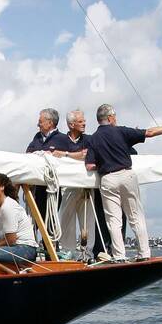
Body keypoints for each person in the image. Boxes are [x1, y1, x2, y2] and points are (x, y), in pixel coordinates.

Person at [85, 103, 162, 261]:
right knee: (135, 217)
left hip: (107, 178)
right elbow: (150, 132)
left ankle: (119, 256)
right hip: (126, 175)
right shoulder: (121, 131)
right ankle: (144, 254)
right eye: (115, 116)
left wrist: (104, 163)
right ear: (110, 117)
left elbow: (89, 165)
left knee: (113, 221)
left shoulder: (93, 139)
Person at [51, 109, 109, 262]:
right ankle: (67, 253)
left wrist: (66, 154)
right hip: (68, 187)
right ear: (71, 124)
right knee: (66, 219)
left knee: (88, 221)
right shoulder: (60, 140)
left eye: (84, 121)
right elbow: (53, 155)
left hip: (86, 187)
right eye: (81, 121)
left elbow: (87, 154)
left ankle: (87, 253)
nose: (84, 123)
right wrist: (75, 155)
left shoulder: (89, 139)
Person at [25, 108, 62, 236]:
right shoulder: (37, 138)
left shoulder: (62, 139)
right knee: (37, 218)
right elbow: (28, 152)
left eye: (40, 121)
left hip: (53, 187)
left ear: (50, 122)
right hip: (38, 186)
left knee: (51, 219)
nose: (38, 124)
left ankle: (50, 248)